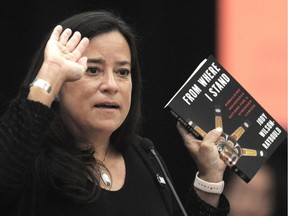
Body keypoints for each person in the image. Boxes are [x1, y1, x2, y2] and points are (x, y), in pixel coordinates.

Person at [0, 11, 229, 215]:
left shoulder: (145, 153)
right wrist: (51, 72)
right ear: (59, 85)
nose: (111, 85)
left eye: (122, 72)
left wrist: (209, 178)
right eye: (92, 70)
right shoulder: (32, 161)